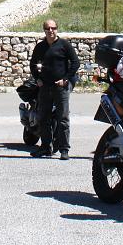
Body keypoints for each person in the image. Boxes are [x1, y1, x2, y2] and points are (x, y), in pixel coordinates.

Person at [29, 19, 79, 160]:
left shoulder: (64, 45)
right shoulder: (40, 46)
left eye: (53, 28)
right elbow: (33, 64)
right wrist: (37, 78)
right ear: (44, 30)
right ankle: (45, 147)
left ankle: (64, 149)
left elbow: (75, 63)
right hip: (45, 87)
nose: (51, 30)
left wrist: (66, 79)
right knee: (43, 118)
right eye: (48, 28)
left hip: (60, 87)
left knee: (62, 118)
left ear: (57, 29)